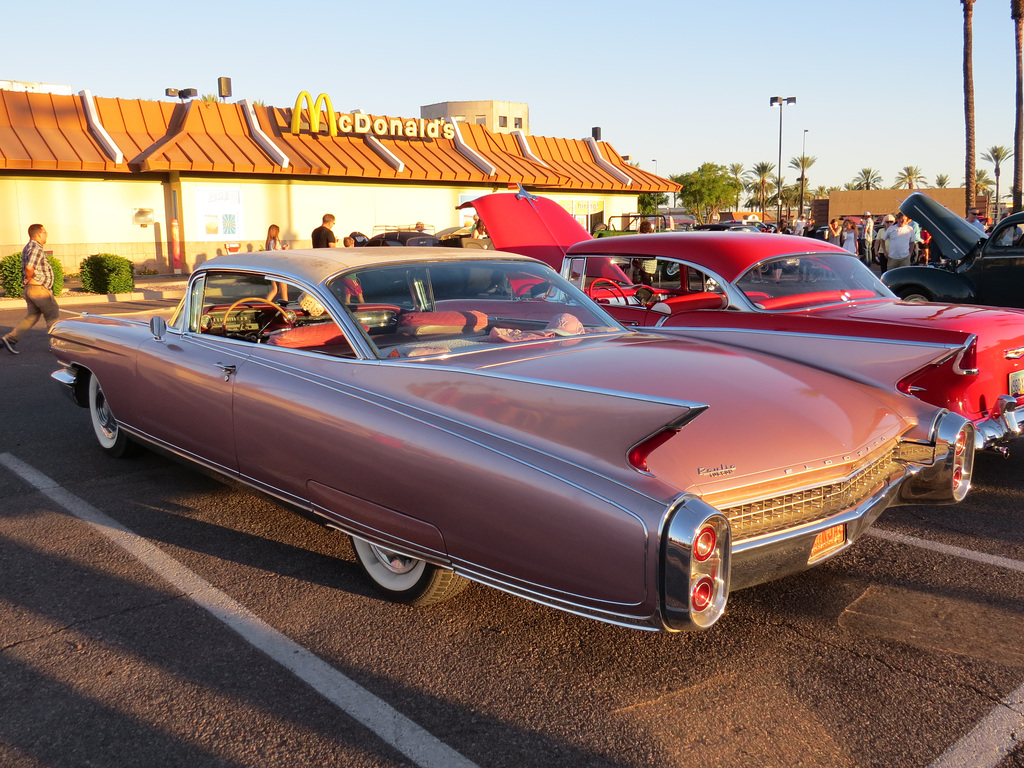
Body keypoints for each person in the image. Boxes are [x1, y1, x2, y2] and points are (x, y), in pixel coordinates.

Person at [3, 224, 59, 355]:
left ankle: (10, 339)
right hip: (38, 289)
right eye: (45, 232)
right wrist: (29, 278)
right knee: (53, 316)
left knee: (32, 316)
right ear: (39, 234)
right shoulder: (35, 247)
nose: (47, 235)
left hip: (31, 289)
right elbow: (29, 267)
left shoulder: (29, 247)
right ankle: (56, 345)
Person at [264, 224, 289, 304]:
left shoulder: (269, 242)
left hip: (271, 267)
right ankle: (285, 307)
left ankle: (266, 304)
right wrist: (285, 249)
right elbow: (279, 254)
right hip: (279, 267)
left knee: (275, 289)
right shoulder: (275, 241)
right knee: (284, 289)